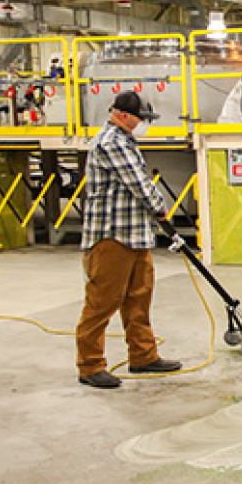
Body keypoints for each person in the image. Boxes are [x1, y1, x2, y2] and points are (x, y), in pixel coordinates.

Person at [76, 92, 182, 388]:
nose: (142, 124)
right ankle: (90, 365)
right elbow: (139, 183)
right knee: (102, 302)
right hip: (112, 237)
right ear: (122, 115)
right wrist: (161, 210)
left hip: (135, 235)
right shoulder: (111, 142)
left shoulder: (126, 141)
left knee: (139, 298)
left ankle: (144, 356)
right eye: (140, 119)